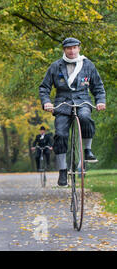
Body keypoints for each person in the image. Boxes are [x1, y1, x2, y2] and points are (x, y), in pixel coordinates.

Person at [39, 37, 106, 186]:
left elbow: (98, 86)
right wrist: (47, 102)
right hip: (62, 103)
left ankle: (87, 150)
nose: (72, 50)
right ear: (64, 50)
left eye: (74, 47)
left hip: (82, 100)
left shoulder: (88, 65)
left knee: (85, 117)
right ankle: (62, 171)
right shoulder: (56, 66)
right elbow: (44, 87)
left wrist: (100, 101)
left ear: (79, 48)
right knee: (61, 134)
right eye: (69, 48)